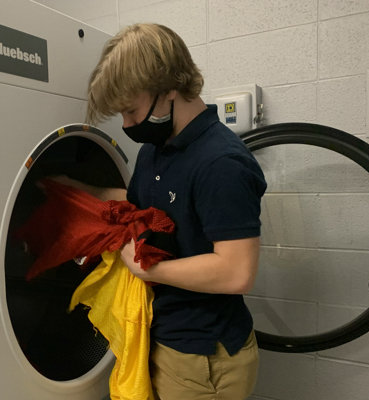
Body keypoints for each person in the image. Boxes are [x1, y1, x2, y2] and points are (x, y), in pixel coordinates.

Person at [62, 23, 266, 399]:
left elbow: (237, 271)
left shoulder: (221, 163)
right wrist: (76, 189)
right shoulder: (157, 149)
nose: (126, 125)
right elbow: (141, 203)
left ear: (171, 87)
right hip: (163, 336)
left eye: (131, 111)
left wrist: (148, 269)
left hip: (201, 357)